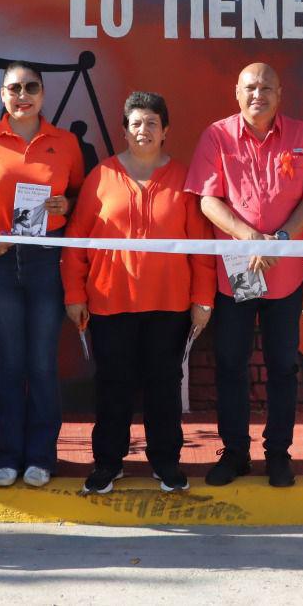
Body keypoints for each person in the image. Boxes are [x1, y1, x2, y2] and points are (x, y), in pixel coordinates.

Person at [62, 91, 215, 495]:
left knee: (164, 386)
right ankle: (108, 463)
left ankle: (166, 463)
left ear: (165, 130)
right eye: (135, 124)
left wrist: (203, 301)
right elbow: (77, 241)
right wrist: (74, 294)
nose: (143, 130)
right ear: (124, 132)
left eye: (151, 123)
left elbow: (201, 247)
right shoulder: (101, 177)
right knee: (113, 385)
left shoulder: (184, 179)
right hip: (110, 303)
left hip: (169, 307)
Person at [185, 62, 303, 488]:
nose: (258, 94)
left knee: (283, 366)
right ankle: (234, 452)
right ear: (237, 92)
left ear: (280, 93)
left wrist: (277, 239)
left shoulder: (302, 136)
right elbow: (207, 200)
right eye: (250, 86)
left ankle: (279, 453)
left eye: (266, 86)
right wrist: (249, 237)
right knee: (231, 364)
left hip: (285, 275)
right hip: (238, 274)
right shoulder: (217, 136)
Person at [0, 62, 85, 488]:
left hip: (47, 260)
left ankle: (42, 457)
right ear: (3, 94)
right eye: (15, 88)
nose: (23, 95)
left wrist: (67, 206)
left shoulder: (66, 143)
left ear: (43, 94)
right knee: (10, 363)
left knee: (42, 363)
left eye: (32, 88)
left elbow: (80, 196)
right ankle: (8, 456)